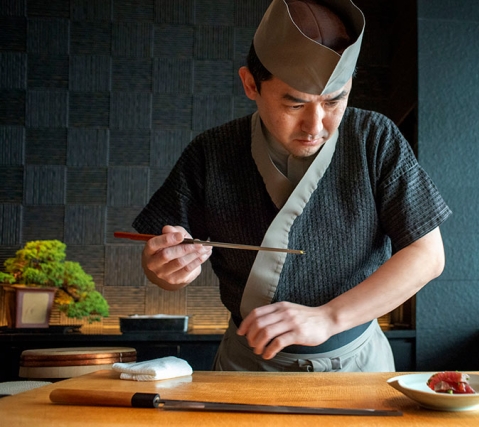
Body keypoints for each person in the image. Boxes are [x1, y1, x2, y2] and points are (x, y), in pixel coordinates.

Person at [132, 0, 451, 372]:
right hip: (247, 366)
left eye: (335, 101)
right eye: (295, 104)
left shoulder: (374, 139)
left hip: (358, 364)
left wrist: (329, 317)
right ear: (250, 84)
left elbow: (427, 256)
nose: (315, 126)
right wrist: (165, 269)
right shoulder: (212, 151)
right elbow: (162, 258)